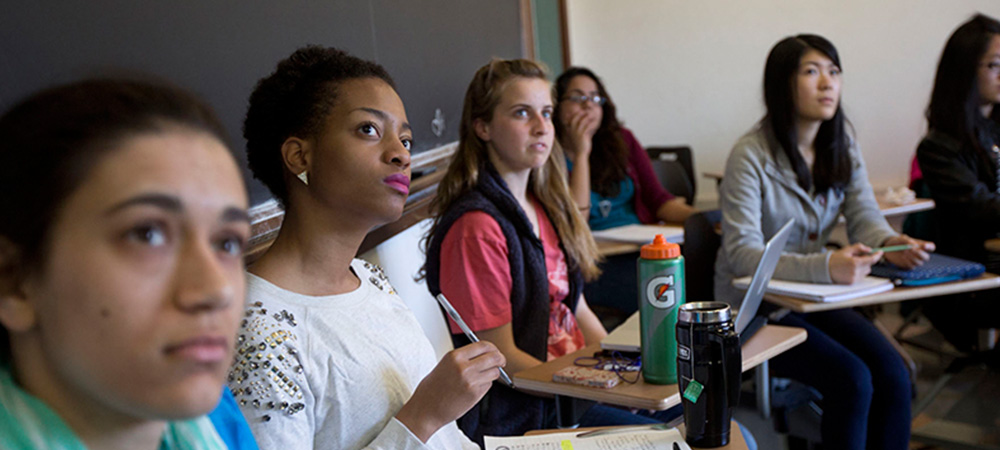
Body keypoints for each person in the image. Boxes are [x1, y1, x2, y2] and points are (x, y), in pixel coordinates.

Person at [231, 46, 505, 450]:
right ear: (299, 155)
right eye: (369, 130)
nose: (400, 155)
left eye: (407, 140)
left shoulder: (369, 278)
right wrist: (423, 417)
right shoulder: (258, 328)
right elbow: (427, 423)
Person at [424, 59, 688, 443]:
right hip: (529, 415)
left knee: (703, 412)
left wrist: (623, 372)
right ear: (483, 127)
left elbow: (576, 307)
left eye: (546, 112)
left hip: (572, 394)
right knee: (684, 436)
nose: (541, 126)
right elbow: (500, 361)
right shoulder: (476, 229)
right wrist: (600, 388)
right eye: (521, 113)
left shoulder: (543, 204)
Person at [0, 79, 257, 449]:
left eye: (227, 242)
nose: (216, 289)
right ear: (14, 281)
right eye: (147, 234)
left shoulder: (218, 421)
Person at [714, 35, 934, 450]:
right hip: (756, 308)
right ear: (782, 84)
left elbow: (865, 218)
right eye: (811, 72)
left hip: (814, 299)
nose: (827, 84)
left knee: (893, 372)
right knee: (852, 378)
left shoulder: (841, 144)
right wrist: (826, 266)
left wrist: (891, 243)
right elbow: (742, 255)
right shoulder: (750, 154)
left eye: (834, 72)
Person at [554, 67, 695, 317]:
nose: (588, 106)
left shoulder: (623, 140)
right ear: (556, 106)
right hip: (594, 263)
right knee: (659, 291)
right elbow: (576, 221)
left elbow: (659, 200)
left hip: (639, 250)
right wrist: (581, 153)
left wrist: (703, 219)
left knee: (692, 269)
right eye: (577, 98)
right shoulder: (549, 154)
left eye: (595, 98)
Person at [916, 13, 1000, 352]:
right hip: (973, 282)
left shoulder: (995, 128)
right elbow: (982, 208)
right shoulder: (939, 146)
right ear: (966, 70)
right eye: (994, 65)